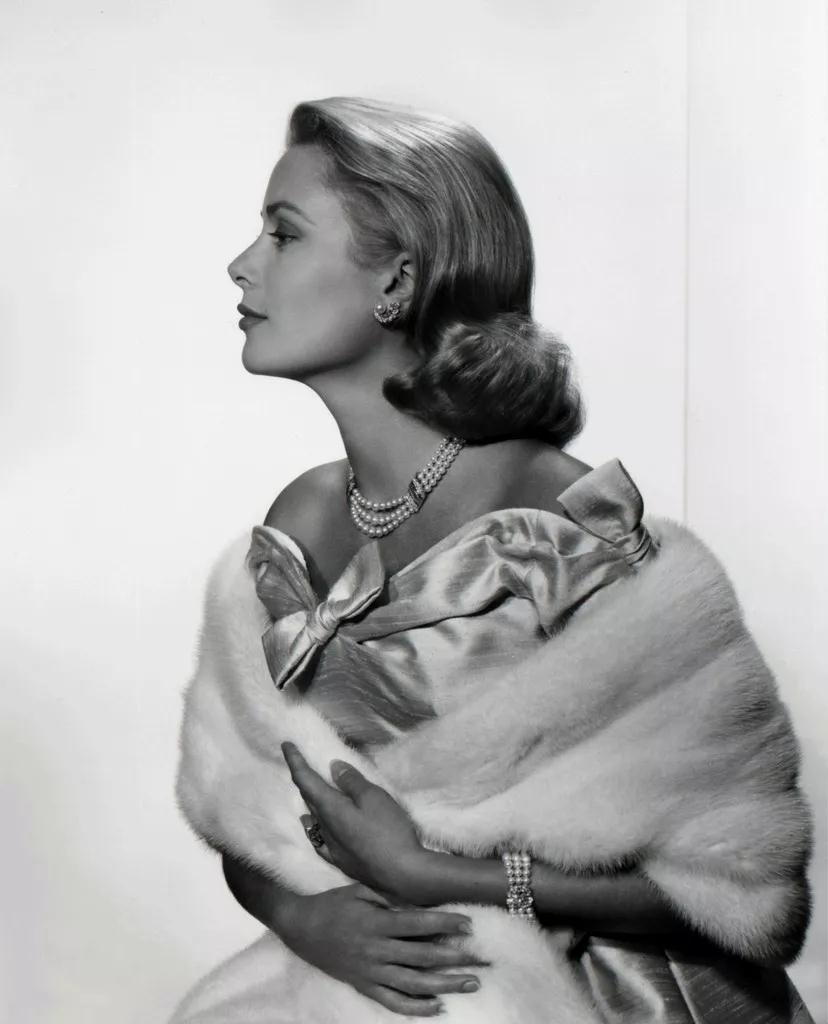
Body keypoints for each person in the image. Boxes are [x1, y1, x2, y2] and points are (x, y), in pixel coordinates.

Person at [168, 97, 815, 1023]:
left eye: (284, 232)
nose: (242, 263)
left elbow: (745, 888)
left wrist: (437, 875)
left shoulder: (559, 524)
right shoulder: (300, 519)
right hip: (385, 979)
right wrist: (305, 918)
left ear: (398, 279)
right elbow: (247, 808)